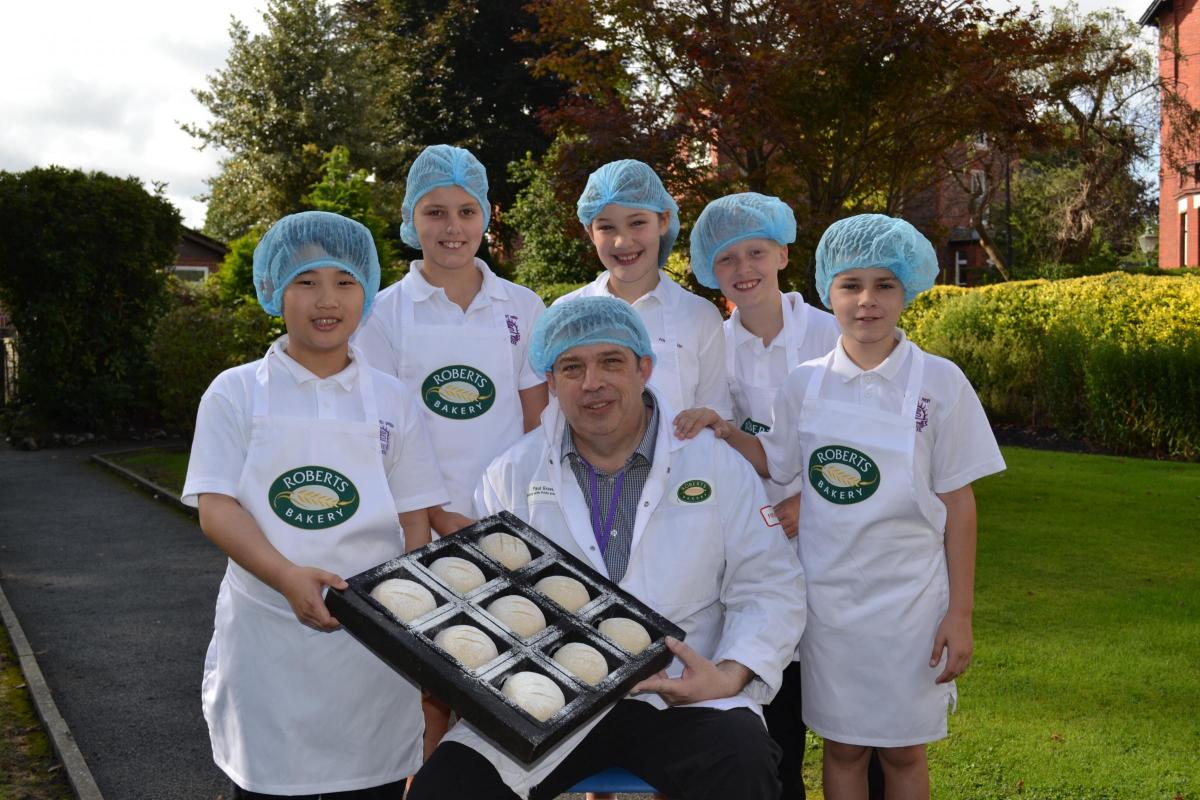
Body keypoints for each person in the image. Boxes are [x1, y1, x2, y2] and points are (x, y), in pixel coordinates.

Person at [406, 296, 806, 800]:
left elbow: (770, 584)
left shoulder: (714, 464)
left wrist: (728, 675)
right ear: (551, 382)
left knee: (742, 766)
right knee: (447, 791)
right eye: (572, 367)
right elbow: (489, 605)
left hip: (683, 692)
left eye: (610, 361)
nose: (591, 382)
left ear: (644, 368)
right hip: (546, 698)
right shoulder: (512, 474)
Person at [678, 214, 1005, 800]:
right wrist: (722, 429)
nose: (867, 301)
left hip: (912, 606)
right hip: (829, 604)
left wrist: (960, 614)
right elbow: (775, 463)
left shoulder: (941, 382)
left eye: (884, 285)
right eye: (851, 285)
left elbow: (959, 504)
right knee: (843, 748)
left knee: (904, 752)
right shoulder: (804, 383)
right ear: (828, 291)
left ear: (908, 290)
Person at [181, 211, 449, 798]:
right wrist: (287, 575)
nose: (327, 299)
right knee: (267, 785)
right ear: (275, 290)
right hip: (268, 641)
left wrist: (398, 603)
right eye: (306, 281)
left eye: (345, 281)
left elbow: (412, 515)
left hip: (369, 652)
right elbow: (217, 506)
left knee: (371, 785)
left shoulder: (393, 399)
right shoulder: (236, 391)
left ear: (368, 292)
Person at [681, 191, 839, 800]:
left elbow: (866, 441)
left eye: (755, 252)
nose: (743, 268)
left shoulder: (829, 331)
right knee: (778, 691)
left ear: (783, 252)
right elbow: (724, 440)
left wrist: (812, 504)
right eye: (726, 260)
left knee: (853, 710)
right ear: (709, 270)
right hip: (759, 534)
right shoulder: (716, 343)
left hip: (840, 533)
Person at [354, 144, 548, 535]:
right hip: (412, 521)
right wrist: (430, 515)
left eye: (466, 211)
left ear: (486, 217)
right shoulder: (379, 314)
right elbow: (379, 434)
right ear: (411, 217)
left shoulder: (524, 306)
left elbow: (537, 423)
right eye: (435, 212)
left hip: (509, 515)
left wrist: (527, 508)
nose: (453, 227)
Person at [556, 159, 732, 420]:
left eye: (637, 223)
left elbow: (716, 417)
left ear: (663, 221)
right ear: (590, 232)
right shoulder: (565, 315)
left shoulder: (700, 316)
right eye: (606, 227)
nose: (623, 241)